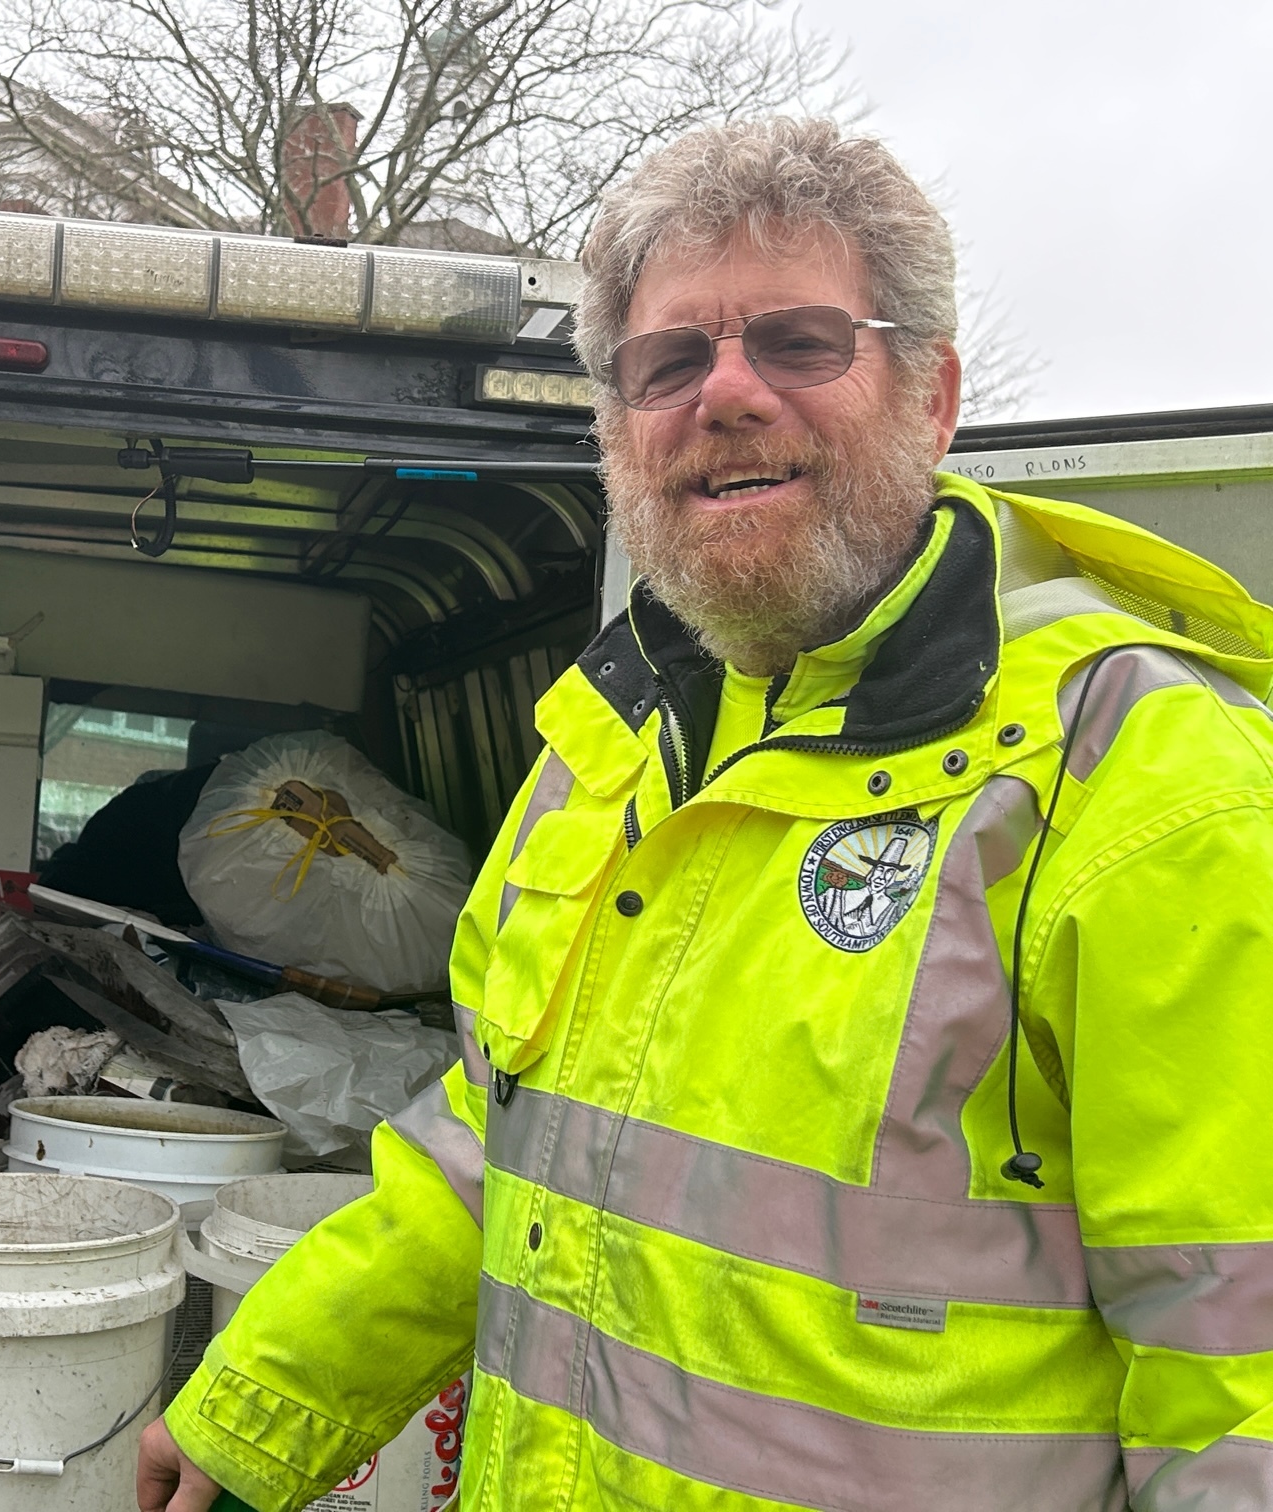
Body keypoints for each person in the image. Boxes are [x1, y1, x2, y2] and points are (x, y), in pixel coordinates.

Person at [137, 116, 1273, 1511]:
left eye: (799, 342)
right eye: (669, 361)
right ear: (618, 432)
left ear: (932, 396)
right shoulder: (602, 756)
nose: (726, 396)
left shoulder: (1150, 785)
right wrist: (263, 1403)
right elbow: (492, 1151)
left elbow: (1243, 1386)